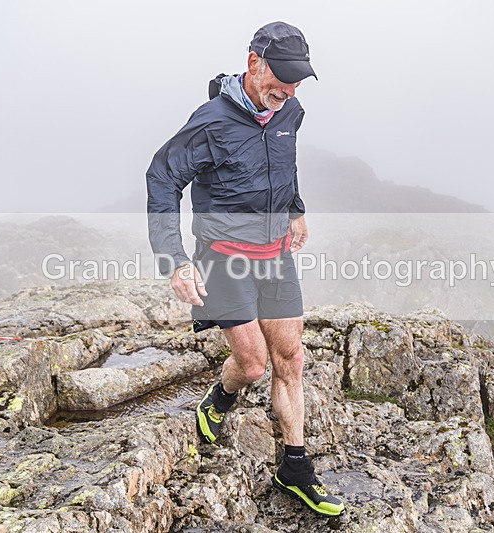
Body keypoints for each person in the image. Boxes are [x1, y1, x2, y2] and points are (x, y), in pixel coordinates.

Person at [146, 21, 345, 517]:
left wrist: (295, 207)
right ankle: (220, 396)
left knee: (291, 358)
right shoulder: (211, 122)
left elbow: (284, 161)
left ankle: (294, 467)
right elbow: (162, 177)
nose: (290, 90)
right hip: (224, 257)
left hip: (275, 252)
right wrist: (174, 259)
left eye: (298, 81)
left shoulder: (290, 111)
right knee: (254, 364)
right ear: (253, 62)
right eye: (283, 78)